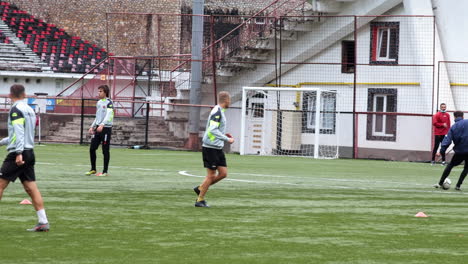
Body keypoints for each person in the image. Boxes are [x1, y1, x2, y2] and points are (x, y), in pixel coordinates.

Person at [0, 84, 49, 232]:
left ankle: (43, 222)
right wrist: (2, 142)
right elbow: (20, 134)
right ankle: (43, 221)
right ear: (24, 94)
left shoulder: (16, 109)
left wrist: (19, 152)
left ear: (10, 95)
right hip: (29, 152)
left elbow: (19, 132)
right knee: (31, 188)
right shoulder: (29, 109)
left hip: (19, 153)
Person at [193, 91, 234, 207]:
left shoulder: (220, 111)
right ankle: (199, 200)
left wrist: (224, 134)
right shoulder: (217, 112)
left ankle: (201, 188)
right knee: (211, 175)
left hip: (217, 147)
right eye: (229, 100)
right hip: (210, 148)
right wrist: (226, 139)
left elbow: (216, 129)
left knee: (223, 173)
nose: (229, 102)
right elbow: (212, 130)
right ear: (226, 100)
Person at [433, 111, 468, 191]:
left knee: (451, 165)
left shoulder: (453, 127)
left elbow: (447, 141)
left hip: (460, 151)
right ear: (462, 116)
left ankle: (440, 183)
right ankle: (458, 185)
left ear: (454, 117)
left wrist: (442, 151)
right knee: (466, 167)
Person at [85, 85, 114, 177]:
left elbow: (110, 115)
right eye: (98, 91)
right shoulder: (99, 102)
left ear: (105, 92)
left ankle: (105, 172)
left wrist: (102, 124)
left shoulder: (109, 102)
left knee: (105, 150)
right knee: (92, 148)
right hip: (98, 128)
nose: (98, 93)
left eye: (100, 91)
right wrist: (92, 126)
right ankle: (93, 169)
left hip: (106, 128)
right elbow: (97, 116)